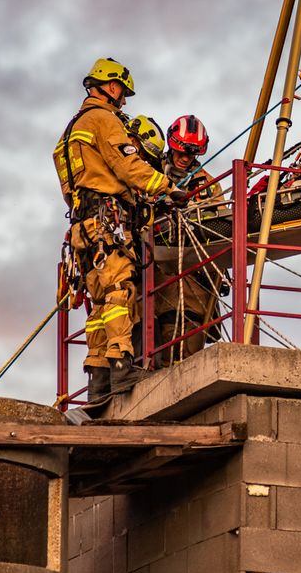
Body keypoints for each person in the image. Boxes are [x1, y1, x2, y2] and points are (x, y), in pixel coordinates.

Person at [53, 58, 174, 402]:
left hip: (83, 226)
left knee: (100, 301)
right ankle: (121, 366)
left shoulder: (68, 133)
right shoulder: (104, 121)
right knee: (121, 290)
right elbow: (127, 164)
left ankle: (98, 377)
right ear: (110, 86)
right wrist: (165, 187)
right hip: (109, 221)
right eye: (122, 90)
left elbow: (69, 183)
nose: (124, 99)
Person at [151, 115, 227, 365]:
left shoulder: (207, 184)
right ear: (171, 144)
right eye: (182, 150)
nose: (186, 157)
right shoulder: (149, 169)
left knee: (189, 331)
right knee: (154, 332)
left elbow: (222, 226)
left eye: (193, 152)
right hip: (157, 268)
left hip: (195, 273)